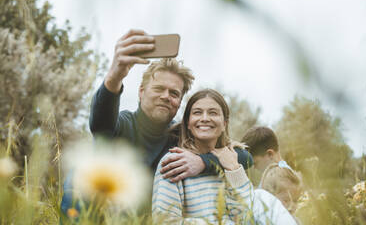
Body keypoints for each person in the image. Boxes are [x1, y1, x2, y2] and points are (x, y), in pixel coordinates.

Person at [61, 29, 252, 217]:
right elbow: (100, 124)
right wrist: (115, 75)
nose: (166, 96)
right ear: (141, 92)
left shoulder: (179, 136)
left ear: (179, 103)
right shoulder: (123, 124)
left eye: (174, 93)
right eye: (159, 89)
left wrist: (203, 162)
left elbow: (245, 156)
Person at [152, 89, 297, 224]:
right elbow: (165, 221)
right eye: (197, 112)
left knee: (264, 199)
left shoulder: (231, 161)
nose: (204, 118)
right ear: (188, 123)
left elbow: (248, 216)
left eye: (213, 113)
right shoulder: (175, 161)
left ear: (224, 124)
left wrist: (234, 170)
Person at [241, 126, 302, 214]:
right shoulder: (271, 176)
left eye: (256, 163)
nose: (254, 167)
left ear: (270, 154)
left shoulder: (284, 178)